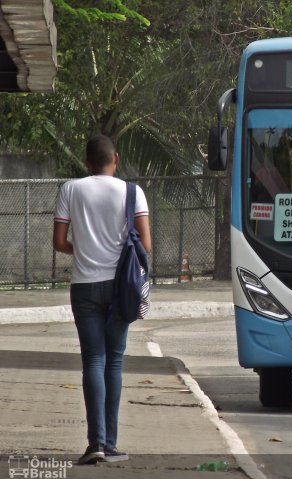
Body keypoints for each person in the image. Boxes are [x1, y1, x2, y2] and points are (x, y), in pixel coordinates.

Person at [53, 134, 151, 465]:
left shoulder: (70, 189)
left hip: (84, 285)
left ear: (86, 162)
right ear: (116, 159)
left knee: (93, 360)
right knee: (115, 361)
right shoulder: (133, 193)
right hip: (121, 286)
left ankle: (94, 443)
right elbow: (145, 245)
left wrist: (82, 251)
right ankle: (110, 444)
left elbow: (59, 241)